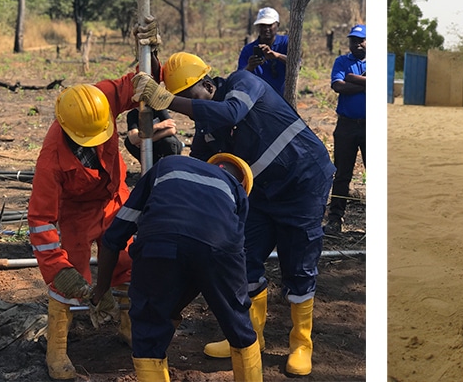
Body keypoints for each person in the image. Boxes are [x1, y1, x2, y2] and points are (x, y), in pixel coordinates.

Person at [132, 48, 336, 376]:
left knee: (299, 264)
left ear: (209, 85)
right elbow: (196, 169)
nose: (190, 109)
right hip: (261, 196)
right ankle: (252, 336)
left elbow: (230, 113)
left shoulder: (244, 84)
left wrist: (168, 100)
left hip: (303, 183)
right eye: (182, 102)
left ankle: (301, 342)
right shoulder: (206, 129)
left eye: (189, 98)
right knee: (244, 261)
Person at [27, 21, 161, 380]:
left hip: (115, 200)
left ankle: (127, 326)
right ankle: (57, 350)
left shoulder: (98, 100)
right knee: (72, 280)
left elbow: (140, 84)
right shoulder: (52, 159)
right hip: (75, 215)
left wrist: (151, 54)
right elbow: (40, 221)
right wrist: (61, 272)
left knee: (126, 263)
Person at [90, 153, 262, 382]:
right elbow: (225, 258)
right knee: (238, 324)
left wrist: (100, 291)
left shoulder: (168, 165)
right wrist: (232, 303)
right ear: (243, 182)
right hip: (218, 249)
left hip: (159, 244)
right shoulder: (237, 193)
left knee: (148, 329)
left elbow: (113, 239)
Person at [325, 24, 366, 235]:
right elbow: (338, 86)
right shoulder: (341, 61)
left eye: (361, 40)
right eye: (353, 40)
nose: (357, 44)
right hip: (346, 125)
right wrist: (366, 83)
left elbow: (346, 81)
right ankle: (335, 219)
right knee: (342, 174)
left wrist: (352, 78)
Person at [237, 6, 290, 95]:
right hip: (259, 98)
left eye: (269, 25)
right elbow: (239, 78)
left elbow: (298, 64)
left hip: (283, 96)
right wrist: (250, 66)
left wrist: (277, 56)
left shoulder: (286, 43)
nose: (266, 29)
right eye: (262, 25)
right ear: (258, 27)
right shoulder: (248, 50)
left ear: (278, 25)